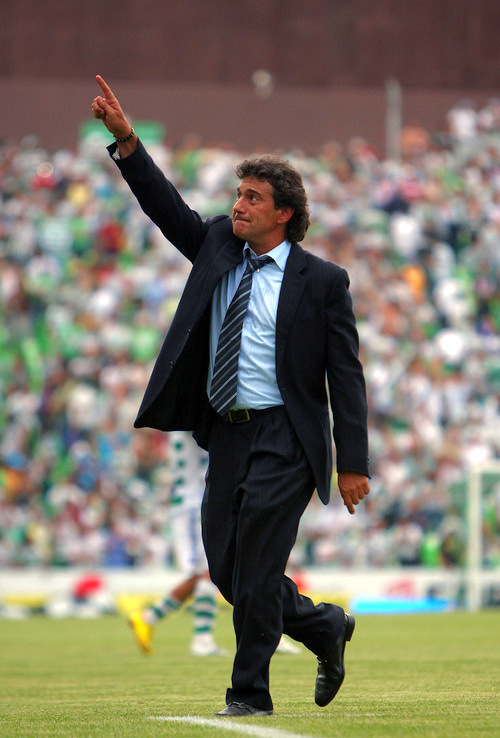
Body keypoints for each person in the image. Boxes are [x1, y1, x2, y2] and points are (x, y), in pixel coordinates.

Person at [91, 75, 370, 717]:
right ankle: (324, 625)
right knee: (227, 570)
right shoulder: (217, 244)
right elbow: (166, 208)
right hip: (226, 432)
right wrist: (126, 140)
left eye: (252, 197)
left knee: (259, 564)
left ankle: (249, 694)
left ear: (284, 214)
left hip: (287, 437)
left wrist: (351, 461)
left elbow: (346, 375)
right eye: (238, 194)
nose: (238, 205)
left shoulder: (323, 281)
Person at [128, 431, 226, 657]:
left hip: (195, 500)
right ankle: (202, 640)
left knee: (205, 572)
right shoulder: (189, 425)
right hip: (192, 503)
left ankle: (148, 618)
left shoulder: (180, 425)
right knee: (206, 571)